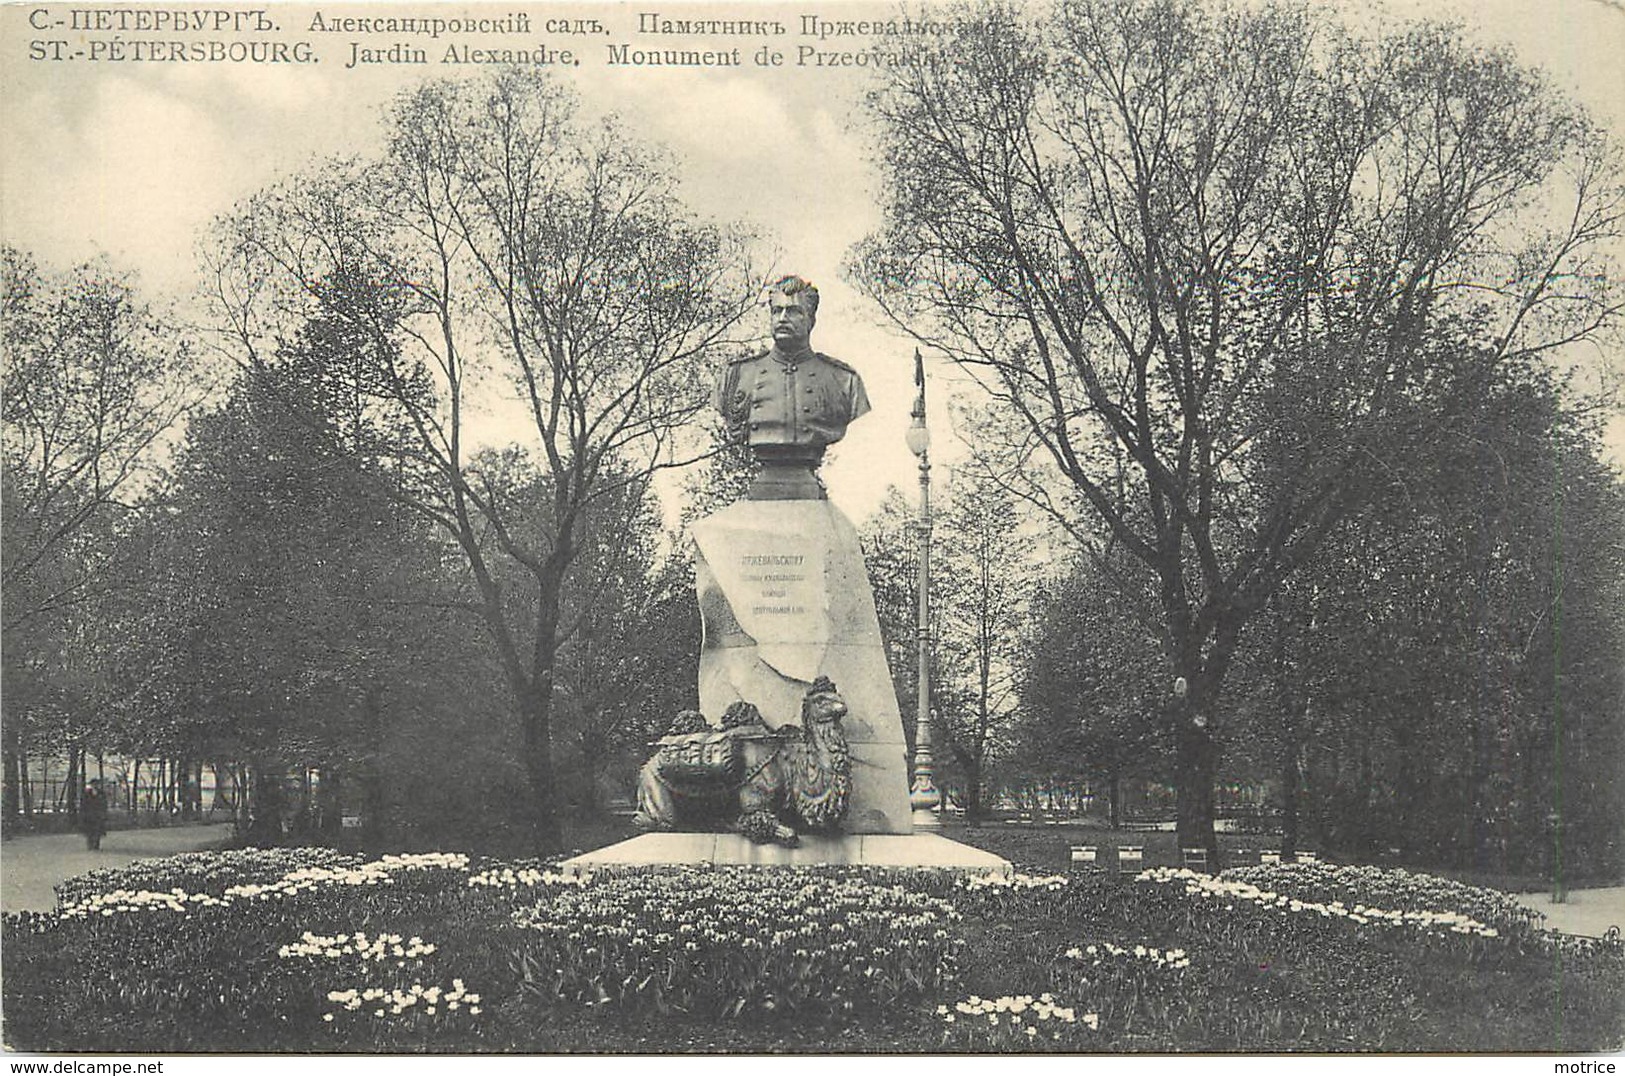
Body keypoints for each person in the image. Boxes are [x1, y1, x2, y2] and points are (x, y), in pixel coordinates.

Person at [713, 276, 871, 497]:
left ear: (811, 319)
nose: (782, 318)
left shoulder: (843, 380)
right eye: (777, 311)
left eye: (794, 311)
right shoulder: (737, 376)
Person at [80, 779, 108, 851]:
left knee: (97, 830)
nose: (95, 785)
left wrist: (103, 813)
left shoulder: (101, 793)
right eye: (94, 784)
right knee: (90, 831)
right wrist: (84, 814)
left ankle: (96, 845)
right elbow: (83, 804)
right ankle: (90, 845)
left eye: (96, 784)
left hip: (98, 815)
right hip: (89, 815)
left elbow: (104, 804)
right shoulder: (86, 793)